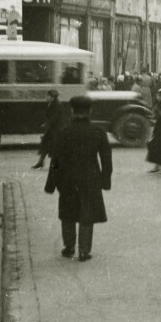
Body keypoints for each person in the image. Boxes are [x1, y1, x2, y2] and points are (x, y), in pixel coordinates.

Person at [45, 96, 112, 262]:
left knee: (68, 213)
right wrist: (105, 181)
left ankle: (69, 248)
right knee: (87, 213)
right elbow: (106, 158)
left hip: (67, 179)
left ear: (72, 111)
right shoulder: (98, 132)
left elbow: (56, 160)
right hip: (91, 178)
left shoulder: (63, 131)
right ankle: (84, 251)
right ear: (90, 111)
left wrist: (51, 184)